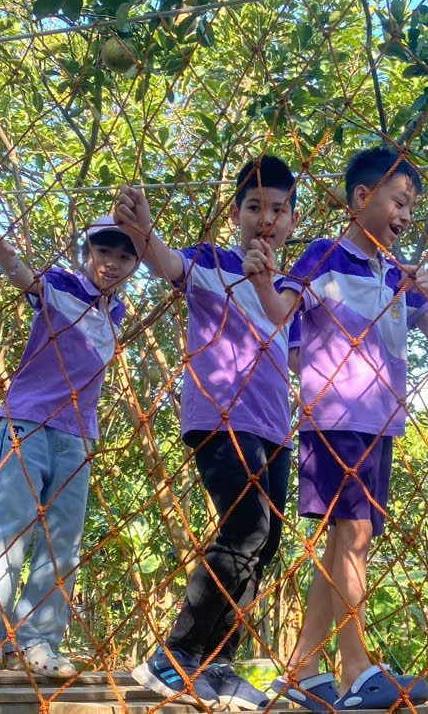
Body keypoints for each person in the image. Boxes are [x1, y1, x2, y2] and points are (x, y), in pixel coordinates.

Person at [250, 146, 428, 710]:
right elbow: (280, 313)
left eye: (411, 206)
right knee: (354, 534)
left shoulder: (393, 273)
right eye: (399, 202)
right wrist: (264, 280)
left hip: (380, 421)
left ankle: (303, 667)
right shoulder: (324, 256)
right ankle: (356, 668)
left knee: (345, 538)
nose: (406, 215)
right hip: (335, 416)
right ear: (363, 198)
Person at [114, 156, 302, 709]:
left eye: (277, 208)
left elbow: (301, 357)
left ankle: (214, 661)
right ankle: (174, 656)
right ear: (236, 214)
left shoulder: (290, 288)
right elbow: (166, 262)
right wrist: (142, 229)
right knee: (245, 527)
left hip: (275, 429)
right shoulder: (212, 265)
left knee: (263, 542)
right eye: (253, 207)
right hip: (220, 416)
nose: (265, 218)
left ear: (291, 220)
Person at [0, 216, 137, 678]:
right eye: (102, 252)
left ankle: (38, 639)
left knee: (63, 541)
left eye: (124, 256)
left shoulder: (119, 310)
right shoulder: (62, 285)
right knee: (8, 525)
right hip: (27, 421)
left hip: (77, 434)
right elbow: (28, 280)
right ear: (85, 253)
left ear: (137, 263)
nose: (111, 263)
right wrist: (4, 254)